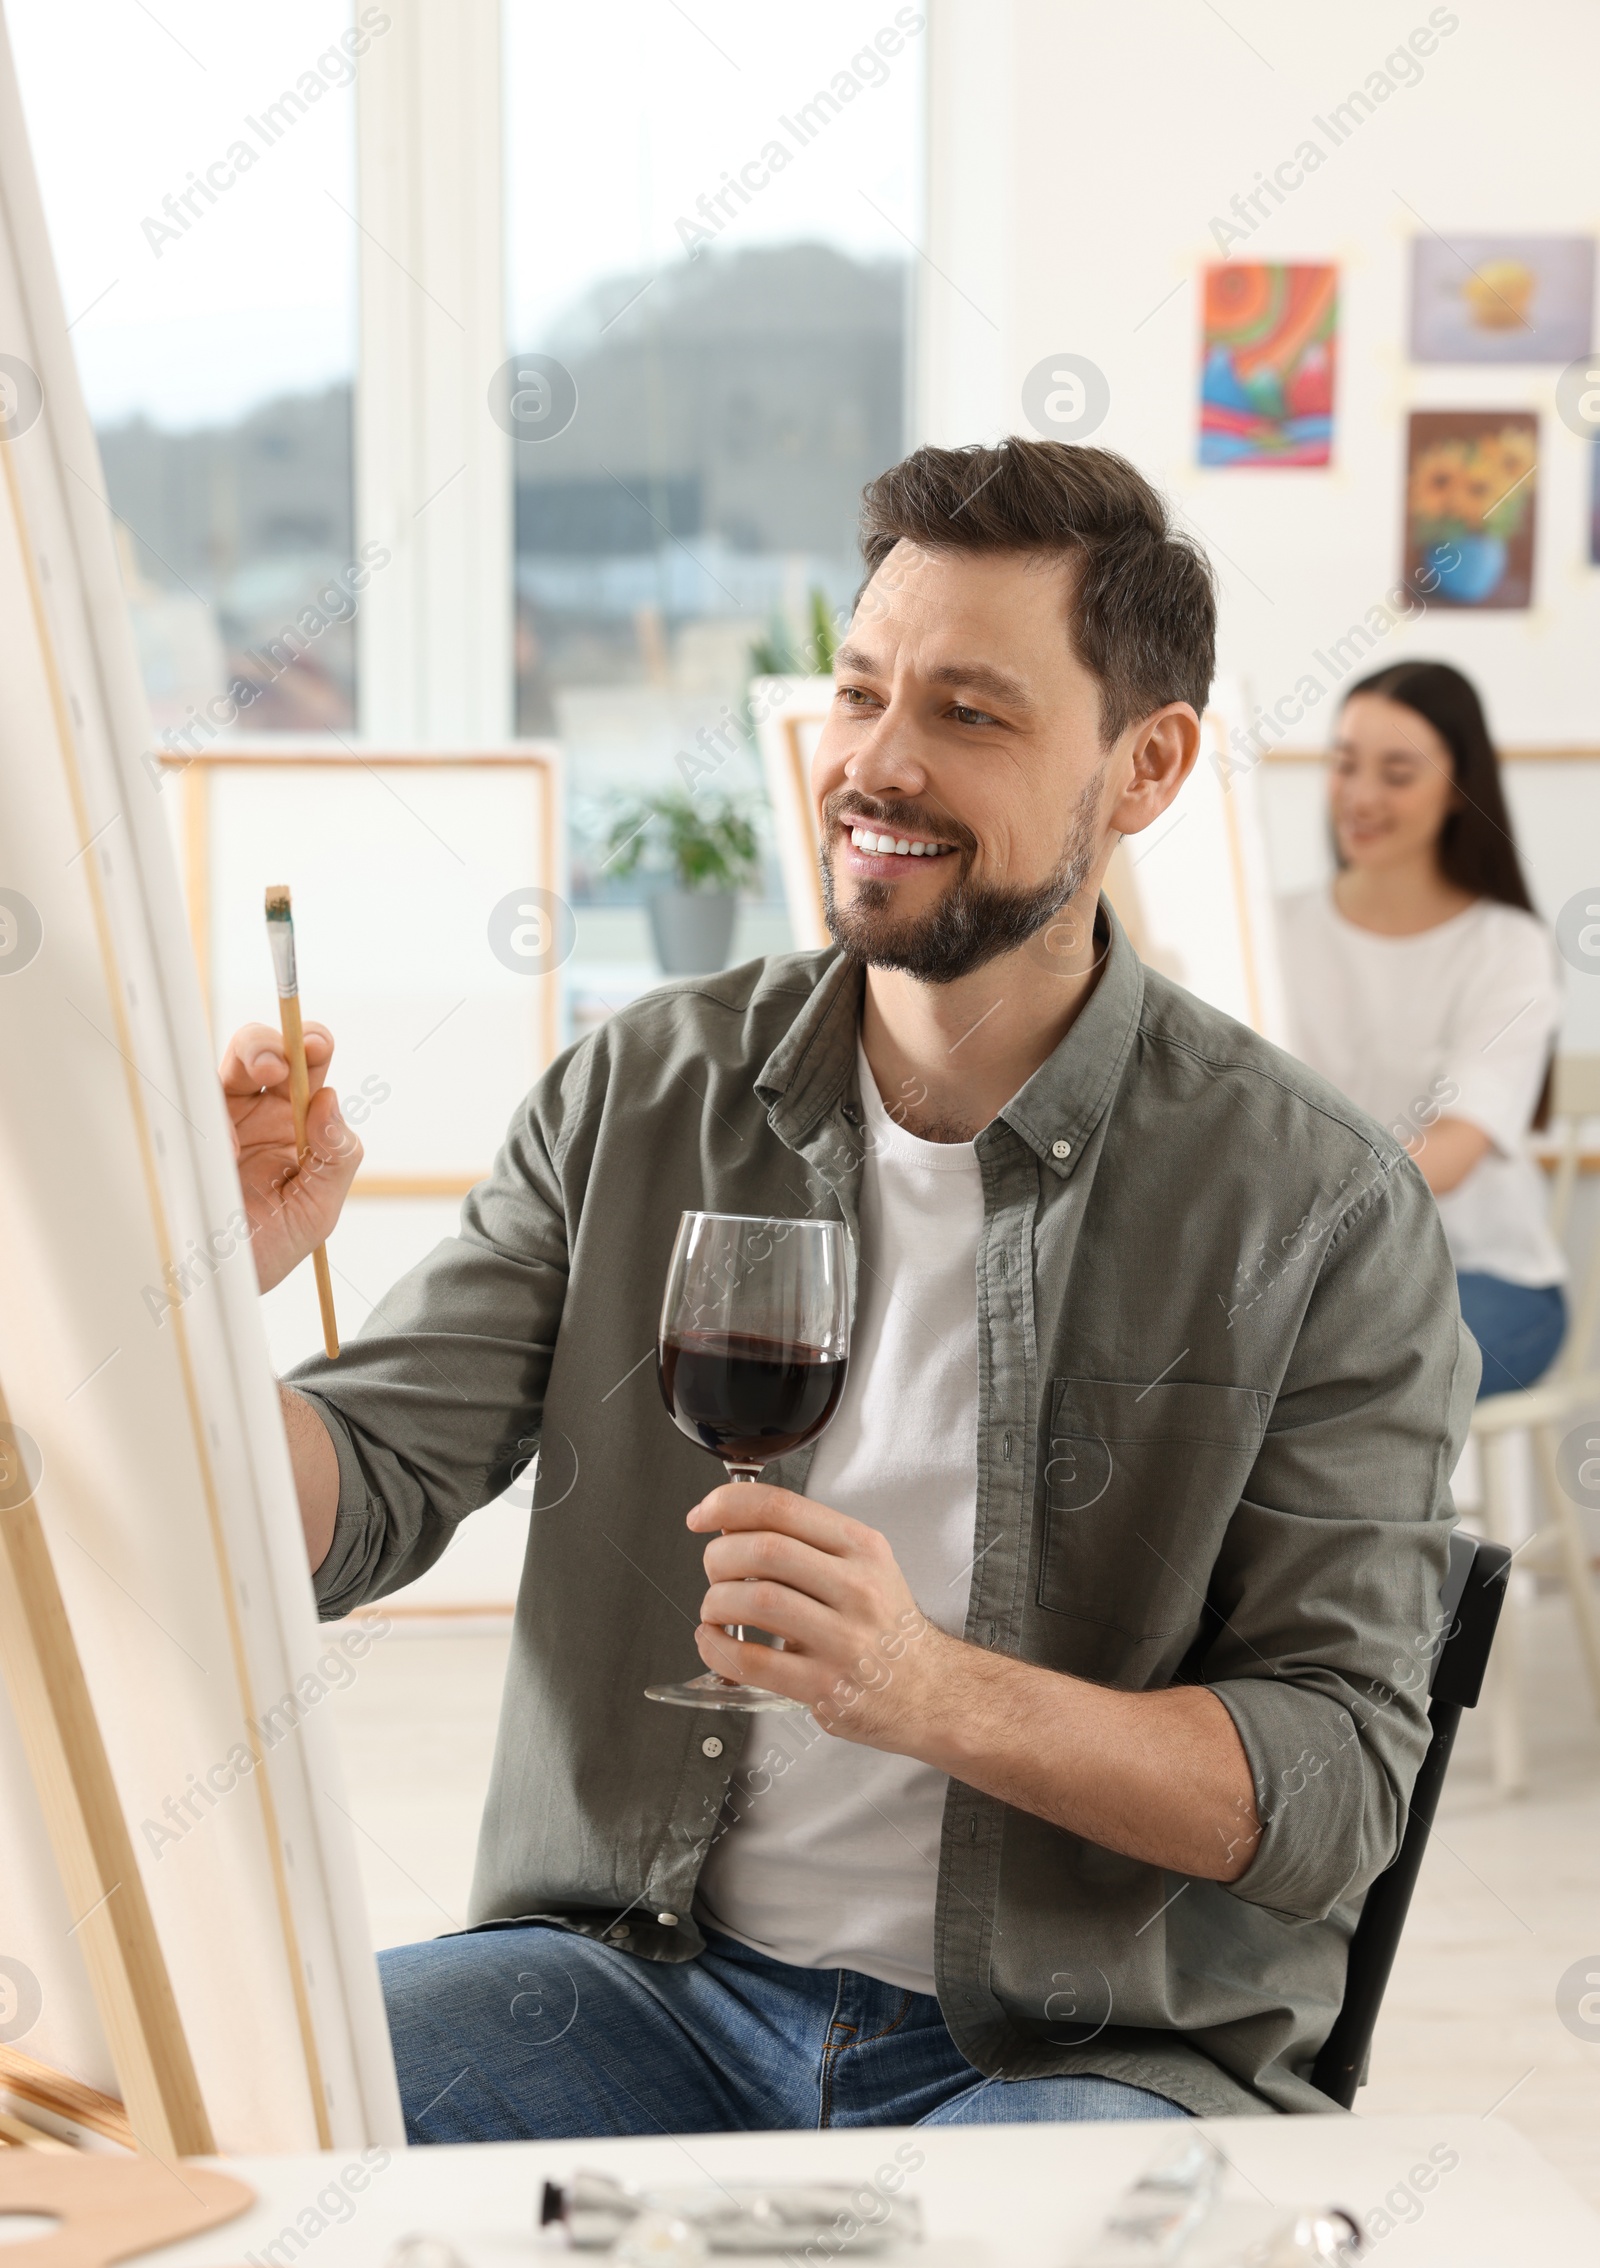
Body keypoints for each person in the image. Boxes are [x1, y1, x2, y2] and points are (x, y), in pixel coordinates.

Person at [222, 439, 1474, 2140]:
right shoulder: (638, 1093)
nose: (872, 763)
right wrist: (204, 1284)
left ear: (1149, 763)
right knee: (271, 2118)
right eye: (864, 689)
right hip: (633, 1981)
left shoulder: (1319, 1204)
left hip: (1074, 2048)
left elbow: (1329, 1783)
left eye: (969, 711)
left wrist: (927, 1687)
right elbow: (353, 1492)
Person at [1278, 662, 1565, 1399]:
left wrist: (1306, 1209)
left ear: (1459, 789)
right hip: (1314, 1275)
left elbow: (1453, 1152)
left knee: (1344, 1372)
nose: (1362, 796)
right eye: (1345, 764)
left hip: (1486, 1275)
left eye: (1398, 773)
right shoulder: (1275, 930)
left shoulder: (1508, 946)